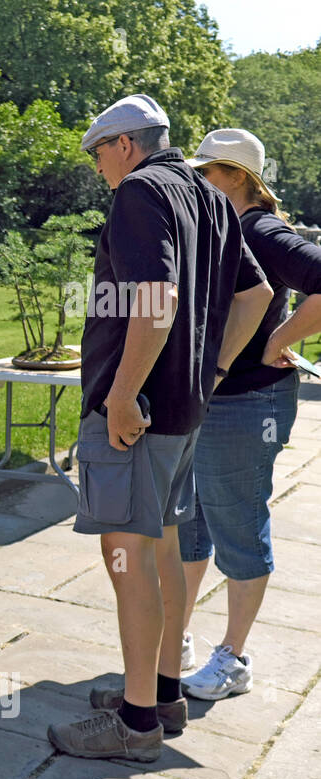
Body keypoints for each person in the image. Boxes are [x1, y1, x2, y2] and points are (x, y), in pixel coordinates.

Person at [47, 94, 272, 762]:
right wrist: (216, 369)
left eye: (98, 155)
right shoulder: (207, 197)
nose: (98, 170)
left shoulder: (142, 192)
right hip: (183, 411)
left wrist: (120, 394)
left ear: (123, 144)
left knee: (127, 559)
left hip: (137, 418)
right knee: (165, 550)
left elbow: (157, 298)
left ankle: (138, 722)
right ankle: (162, 690)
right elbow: (255, 294)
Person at [174, 129, 321, 699]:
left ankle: (233, 659)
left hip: (246, 405)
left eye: (206, 173)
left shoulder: (262, 229)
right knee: (188, 528)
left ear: (238, 177)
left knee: (236, 526)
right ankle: (177, 636)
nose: (196, 182)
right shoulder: (222, 228)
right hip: (206, 400)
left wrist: (276, 338)